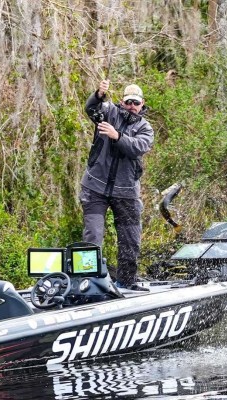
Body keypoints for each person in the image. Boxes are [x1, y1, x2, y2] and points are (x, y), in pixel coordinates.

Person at [80, 79, 154, 288]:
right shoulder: (108, 111)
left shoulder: (145, 128)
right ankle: (88, 280)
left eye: (136, 102)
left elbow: (138, 147)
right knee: (93, 235)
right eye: (128, 101)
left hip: (127, 191)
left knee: (130, 239)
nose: (132, 106)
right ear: (122, 101)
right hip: (95, 187)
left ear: (142, 104)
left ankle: (127, 282)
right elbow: (91, 108)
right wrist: (98, 94)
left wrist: (117, 135)